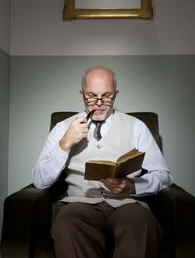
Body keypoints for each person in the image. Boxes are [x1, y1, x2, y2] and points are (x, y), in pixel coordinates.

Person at [33, 65, 173, 258]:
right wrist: (65, 143)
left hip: (126, 204)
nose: (99, 103)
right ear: (82, 94)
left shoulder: (137, 127)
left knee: (144, 224)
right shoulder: (62, 128)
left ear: (116, 94)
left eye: (106, 96)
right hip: (78, 204)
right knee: (67, 224)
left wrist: (132, 185)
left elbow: (164, 176)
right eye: (91, 96)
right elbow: (40, 181)